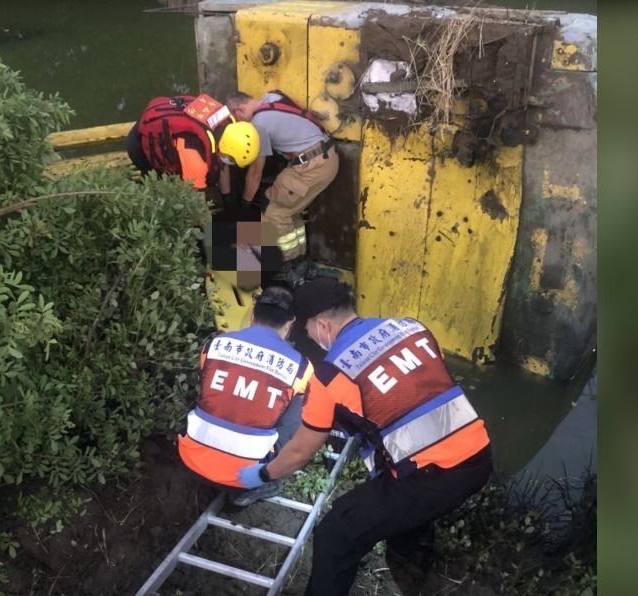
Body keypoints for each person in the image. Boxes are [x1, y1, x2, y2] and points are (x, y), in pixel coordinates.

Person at [236, 278, 493, 595]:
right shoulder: (411, 328)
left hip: (431, 478)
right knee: (404, 511)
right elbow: (421, 387)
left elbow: (301, 451)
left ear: (323, 326)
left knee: (335, 533)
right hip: (478, 456)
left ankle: (406, 566)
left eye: (307, 329)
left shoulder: (330, 375)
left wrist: (262, 474)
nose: (310, 337)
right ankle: (411, 570)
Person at [178, 286, 313, 506]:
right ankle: (266, 481)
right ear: (289, 325)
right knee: (302, 403)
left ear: (251, 313)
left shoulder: (215, 344)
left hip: (191, 457)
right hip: (243, 476)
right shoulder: (300, 366)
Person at [226, 90, 339, 285]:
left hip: (311, 165)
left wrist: (244, 205)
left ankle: (288, 268)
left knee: (272, 210)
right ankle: (301, 261)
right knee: (288, 210)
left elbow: (255, 173)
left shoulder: (258, 125)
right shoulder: (272, 97)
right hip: (327, 157)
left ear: (238, 111)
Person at [127, 93, 260, 192]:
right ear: (225, 148)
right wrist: (212, 229)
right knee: (160, 185)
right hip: (140, 144)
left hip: (165, 123)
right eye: (231, 159)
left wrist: (227, 198)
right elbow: (197, 204)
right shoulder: (196, 158)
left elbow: (221, 166)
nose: (229, 162)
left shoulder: (225, 122)